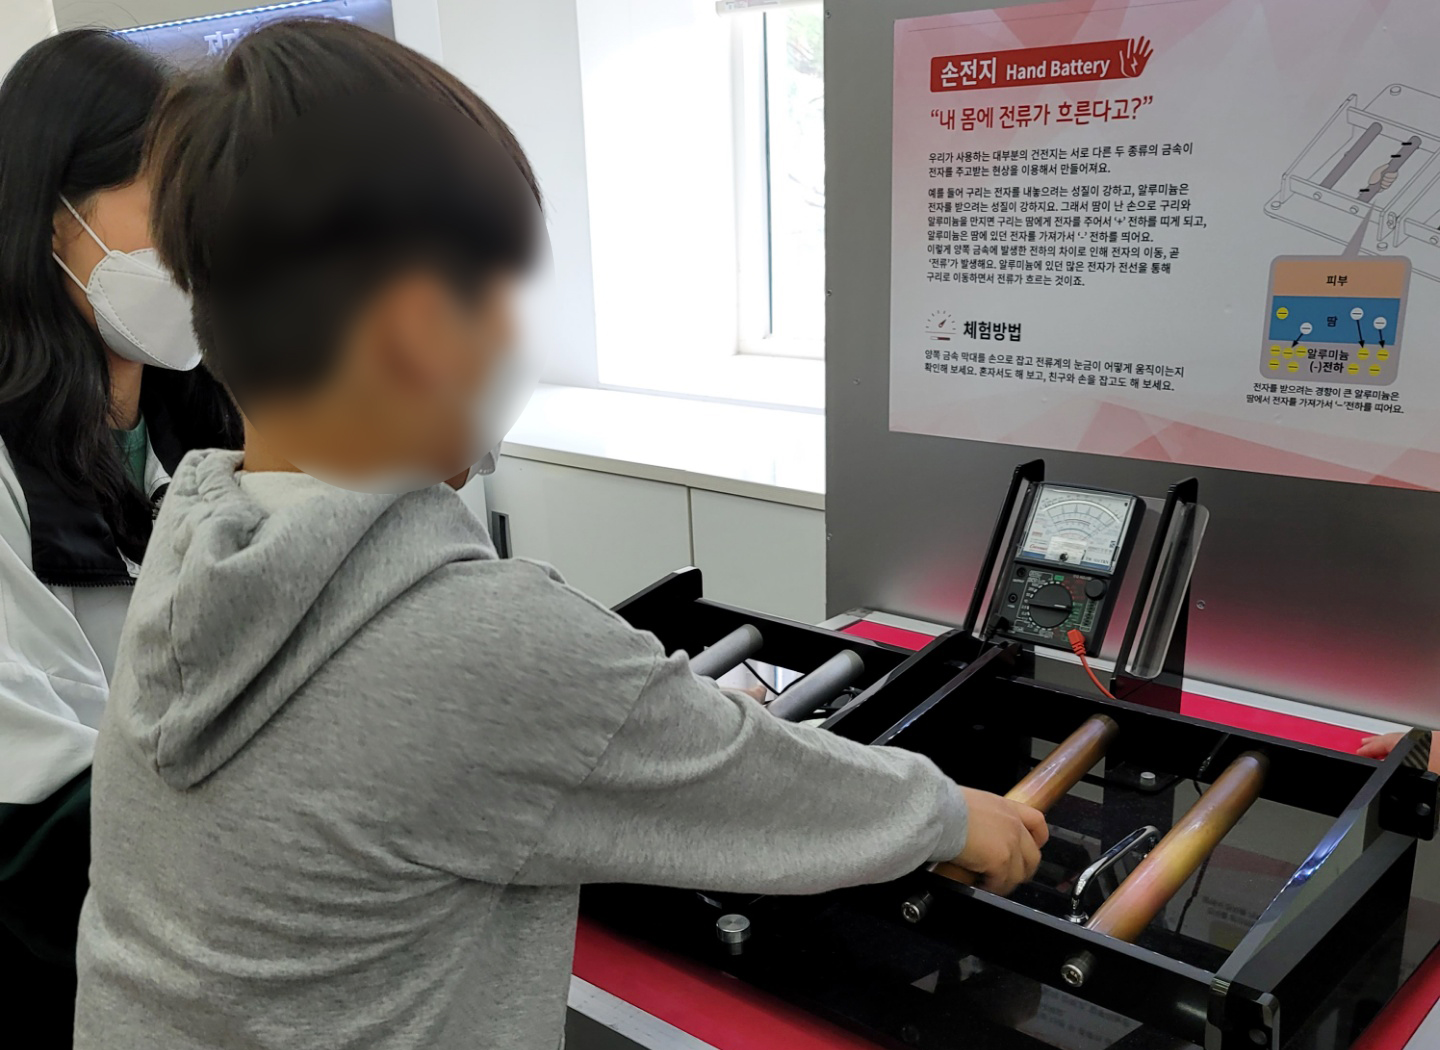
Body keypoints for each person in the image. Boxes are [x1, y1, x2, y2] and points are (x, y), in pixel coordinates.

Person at [73, 21, 1047, 1050]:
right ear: (419, 328)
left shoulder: (190, 554)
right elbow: (761, 790)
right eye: (505, 294)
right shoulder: (475, 639)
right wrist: (951, 816)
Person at [0, 30, 242, 1048]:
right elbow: (33, 801)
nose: (196, 239)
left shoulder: (213, 418)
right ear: (51, 215)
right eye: (167, 199)